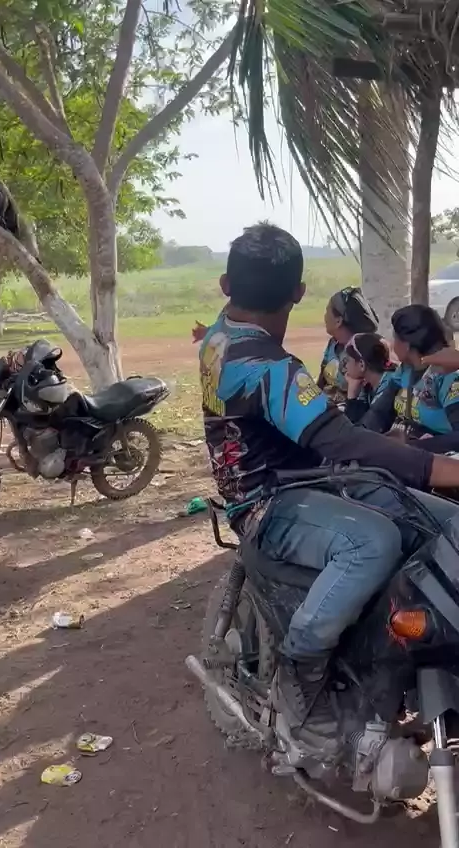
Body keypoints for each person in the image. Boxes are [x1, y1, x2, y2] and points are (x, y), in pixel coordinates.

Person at [199, 222, 459, 755]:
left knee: (449, 523)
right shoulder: (266, 366)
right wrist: (439, 469)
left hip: (321, 481)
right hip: (266, 499)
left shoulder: (216, 338)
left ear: (226, 286)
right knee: (373, 542)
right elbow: (339, 438)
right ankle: (300, 675)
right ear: (298, 292)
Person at [360, 305, 459, 450]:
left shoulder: (448, 376)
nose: (392, 343)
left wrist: (410, 448)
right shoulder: (405, 369)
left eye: (395, 338)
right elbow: (380, 412)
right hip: (412, 451)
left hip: (441, 457)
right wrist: (359, 436)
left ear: (406, 345)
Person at [318, 287, 379, 404]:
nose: (325, 317)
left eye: (327, 311)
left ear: (338, 321)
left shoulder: (361, 353)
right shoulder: (333, 344)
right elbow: (321, 382)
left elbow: (362, 399)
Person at [343, 333, 396, 423]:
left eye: (347, 360)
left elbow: (361, 427)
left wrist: (351, 396)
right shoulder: (370, 384)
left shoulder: (389, 385)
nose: (345, 366)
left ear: (361, 365)